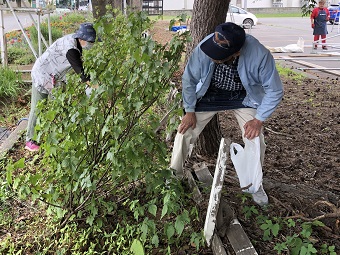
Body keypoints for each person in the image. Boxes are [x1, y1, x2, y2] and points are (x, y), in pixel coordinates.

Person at [170, 22, 284, 206]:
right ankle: (173, 178)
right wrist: (189, 110)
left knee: (255, 139)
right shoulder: (207, 46)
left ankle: (253, 185)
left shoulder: (260, 55)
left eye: (220, 56)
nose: (213, 56)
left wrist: (258, 120)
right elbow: (189, 78)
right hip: (210, 93)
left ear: (236, 53)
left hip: (243, 96)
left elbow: (275, 90)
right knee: (184, 131)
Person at [25, 22, 99, 152]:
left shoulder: (75, 42)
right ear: (81, 39)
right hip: (42, 74)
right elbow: (82, 73)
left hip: (56, 77)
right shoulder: (71, 49)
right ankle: (30, 140)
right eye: (89, 42)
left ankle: (63, 132)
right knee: (38, 107)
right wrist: (95, 87)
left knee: (61, 104)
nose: (91, 44)